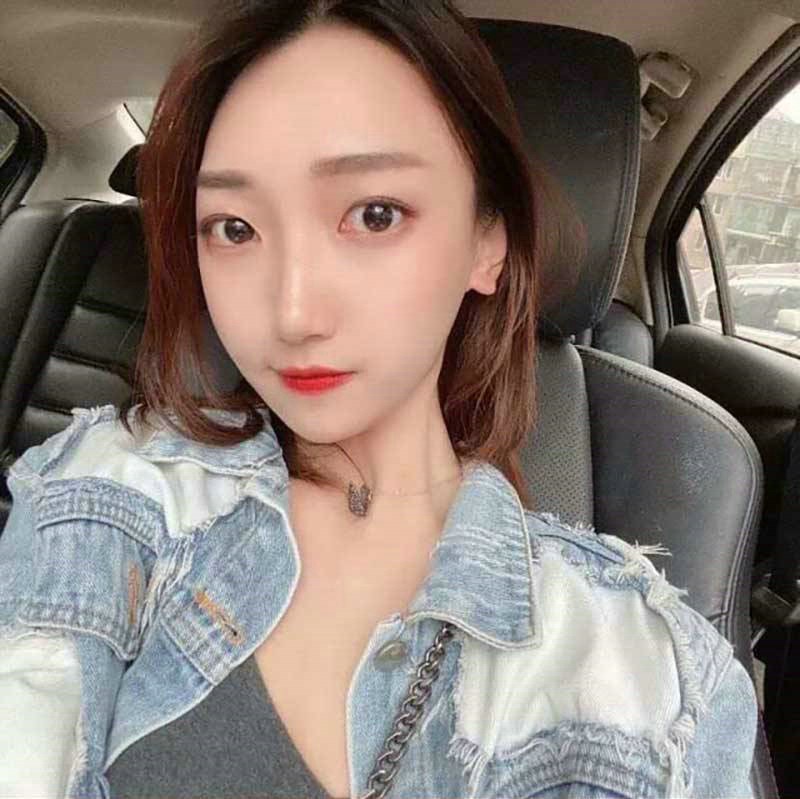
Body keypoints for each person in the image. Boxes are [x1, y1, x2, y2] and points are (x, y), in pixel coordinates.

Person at [0, 1, 758, 798]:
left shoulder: (647, 674)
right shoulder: (113, 490)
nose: (293, 313)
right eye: (233, 228)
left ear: (488, 242)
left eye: (374, 214)